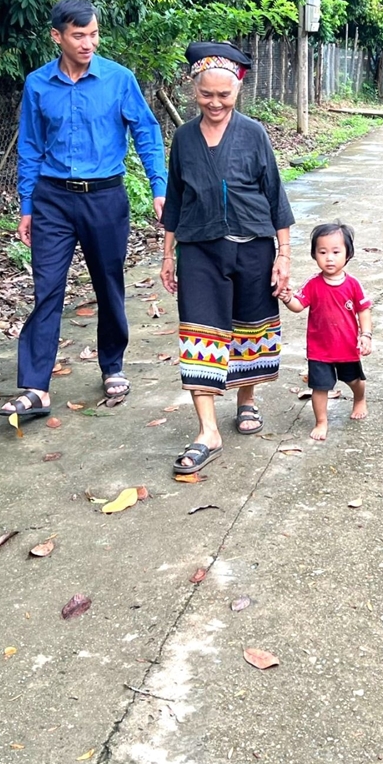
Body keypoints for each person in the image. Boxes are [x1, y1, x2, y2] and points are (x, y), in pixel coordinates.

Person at [3, 0, 166, 418]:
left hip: (105, 198)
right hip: (52, 200)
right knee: (47, 290)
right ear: (57, 36)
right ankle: (36, 388)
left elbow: (146, 132)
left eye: (93, 34)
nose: (88, 43)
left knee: (108, 284)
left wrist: (158, 188)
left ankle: (113, 365)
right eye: (79, 35)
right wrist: (27, 205)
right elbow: (31, 146)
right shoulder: (38, 84)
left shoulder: (119, 79)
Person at [160, 42, 293, 475]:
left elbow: (275, 195)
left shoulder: (253, 133)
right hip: (198, 249)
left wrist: (284, 254)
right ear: (193, 92)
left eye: (224, 95)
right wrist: (167, 253)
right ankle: (207, 430)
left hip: (253, 245)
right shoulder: (182, 138)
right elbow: (176, 200)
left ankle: (247, 399)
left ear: (238, 91)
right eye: (206, 95)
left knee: (249, 328)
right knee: (199, 332)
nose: (215, 103)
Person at [281, 221, 373, 441]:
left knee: (354, 380)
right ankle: (321, 421)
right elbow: (298, 306)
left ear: (348, 254)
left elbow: (364, 311)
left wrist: (366, 335)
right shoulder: (313, 284)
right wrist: (287, 299)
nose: (329, 258)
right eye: (322, 252)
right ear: (314, 255)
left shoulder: (353, 284)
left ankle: (360, 399)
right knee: (319, 387)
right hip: (319, 350)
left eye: (335, 252)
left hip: (347, 347)